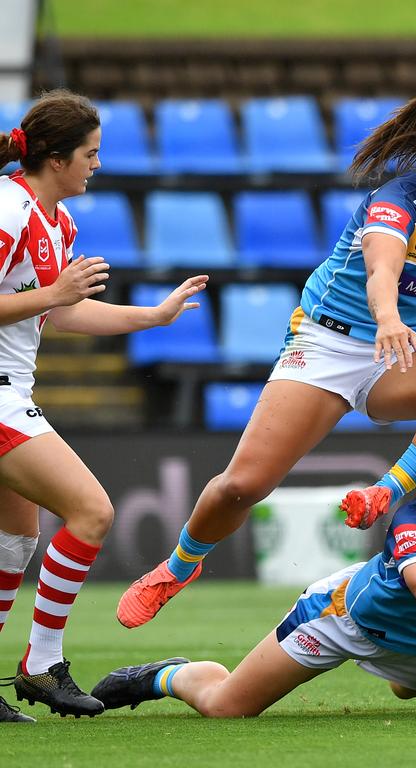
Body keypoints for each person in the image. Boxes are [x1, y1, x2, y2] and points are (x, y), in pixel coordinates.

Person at [116, 81, 416, 629]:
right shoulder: (396, 200)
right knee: (243, 486)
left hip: (399, 358)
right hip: (329, 344)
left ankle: (386, 491)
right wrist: (390, 316)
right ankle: (178, 566)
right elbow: (382, 270)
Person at [91, 421, 416, 717]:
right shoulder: (414, 518)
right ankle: (168, 677)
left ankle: (408, 667)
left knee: (411, 691)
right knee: (229, 708)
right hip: (342, 620)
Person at [0, 90, 208, 723]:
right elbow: (52, 299)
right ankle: (40, 665)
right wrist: (54, 292)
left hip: (11, 390)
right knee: (91, 511)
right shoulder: (8, 210)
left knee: (16, 537)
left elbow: (62, 312)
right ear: (56, 158)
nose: (96, 164)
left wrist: (155, 314)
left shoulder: (53, 219)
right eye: (90, 154)